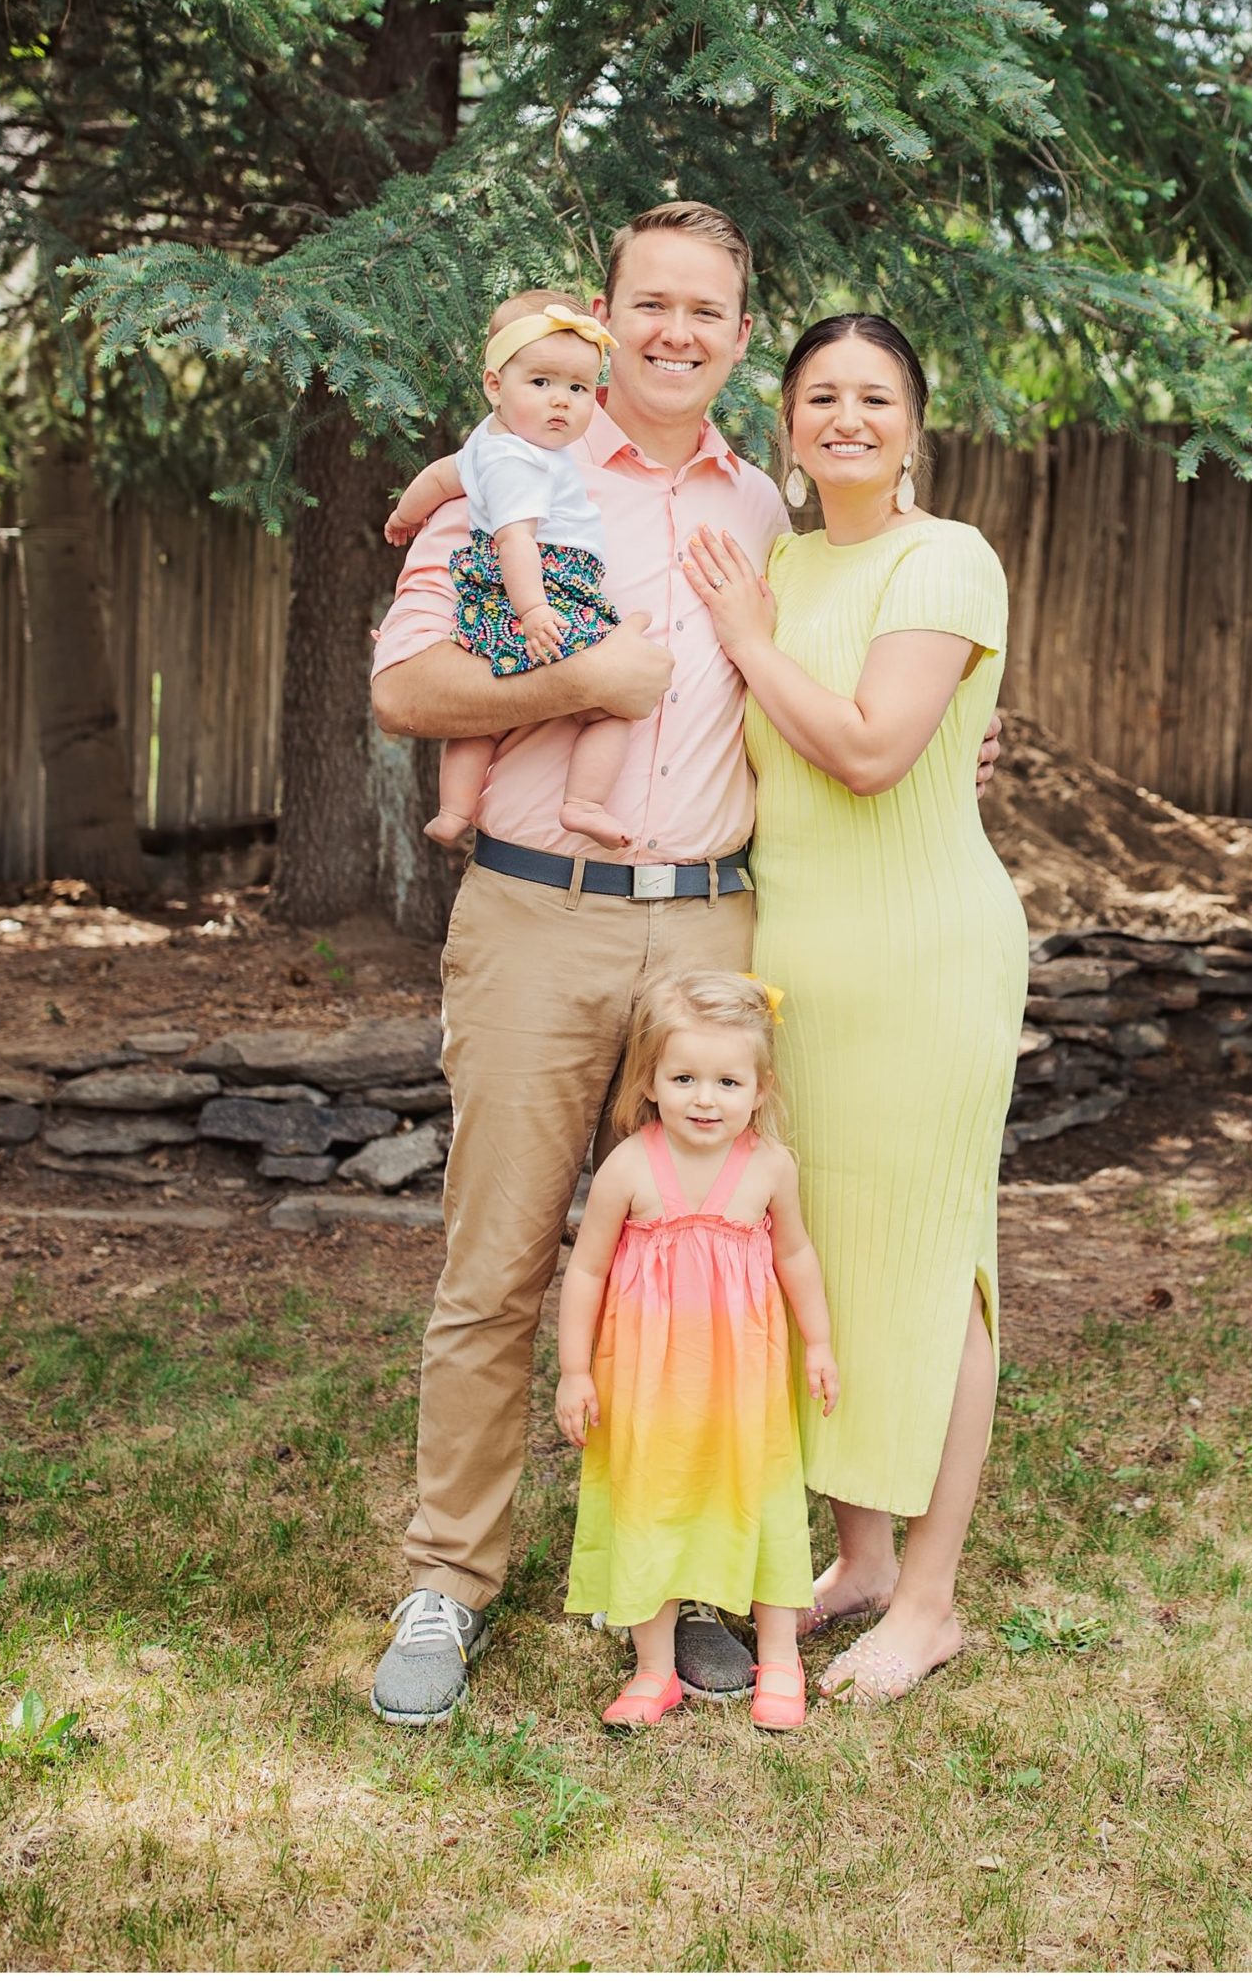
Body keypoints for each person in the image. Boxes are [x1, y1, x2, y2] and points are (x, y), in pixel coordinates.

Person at [367, 200, 783, 1724]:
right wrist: (575, 673)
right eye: (650, 304)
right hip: (540, 913)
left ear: (741, 335)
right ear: (606, 316)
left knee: (693, 1266)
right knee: (496, 1265)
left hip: (718, 931)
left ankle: (679, 1585)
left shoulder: (765, 512)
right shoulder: (518, 466)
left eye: (707, 311)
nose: (677, 332)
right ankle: (448, 1579)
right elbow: (407, 686)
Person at [679, 312, 1027, 1705]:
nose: (846, 417)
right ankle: (863, 1558)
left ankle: (930, 1598)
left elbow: (879, 753)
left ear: (913, 421)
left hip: (925, 956)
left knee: (933, 1259)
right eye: (821, 395)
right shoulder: (776, 559)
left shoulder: (944, 558)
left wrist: (753, 646)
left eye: (873, 396)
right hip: (799, 961)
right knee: (826, 1250)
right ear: (788, 419)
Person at [555, 970, 836, 1734]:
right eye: (683, 1078)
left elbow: (797, 1258)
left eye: (726, 1081)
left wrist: (820, 1343)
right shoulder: (631, 1167)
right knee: (651, 1503)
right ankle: (654, 1669)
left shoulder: (771, 1168)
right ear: (650, 1081)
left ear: (759, 1086)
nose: (704, 1099)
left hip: (744, 1383)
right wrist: (574, 1370)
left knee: (765, 1498)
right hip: (648, 1384)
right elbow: (585, 1270)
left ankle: (780, 1659)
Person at [384, 293, 636, 851]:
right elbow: (515, 540)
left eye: (577, 389)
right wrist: (535, 610)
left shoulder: (487, 444)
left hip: (486, 594)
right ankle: (583, 803)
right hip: (546, 585)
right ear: (495, 386)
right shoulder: (523, 462)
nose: (561, 403)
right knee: (613, 706)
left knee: (483, 717)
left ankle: (453, 811)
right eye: (541, 383)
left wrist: (405, 514)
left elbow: (441, 477)